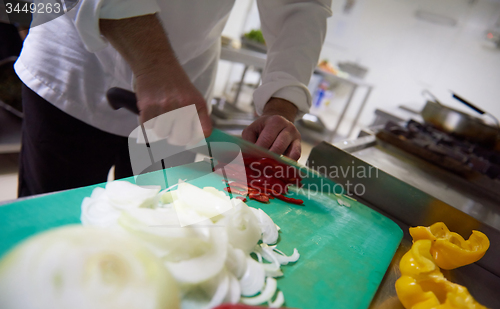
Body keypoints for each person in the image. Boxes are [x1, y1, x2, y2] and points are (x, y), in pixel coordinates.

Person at [15, 0, 332, 197]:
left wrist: (282, 101)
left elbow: (302, 5)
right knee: (53, 227)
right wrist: (154, 66)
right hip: (75, 69)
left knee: (159, 220)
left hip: (185, 91)